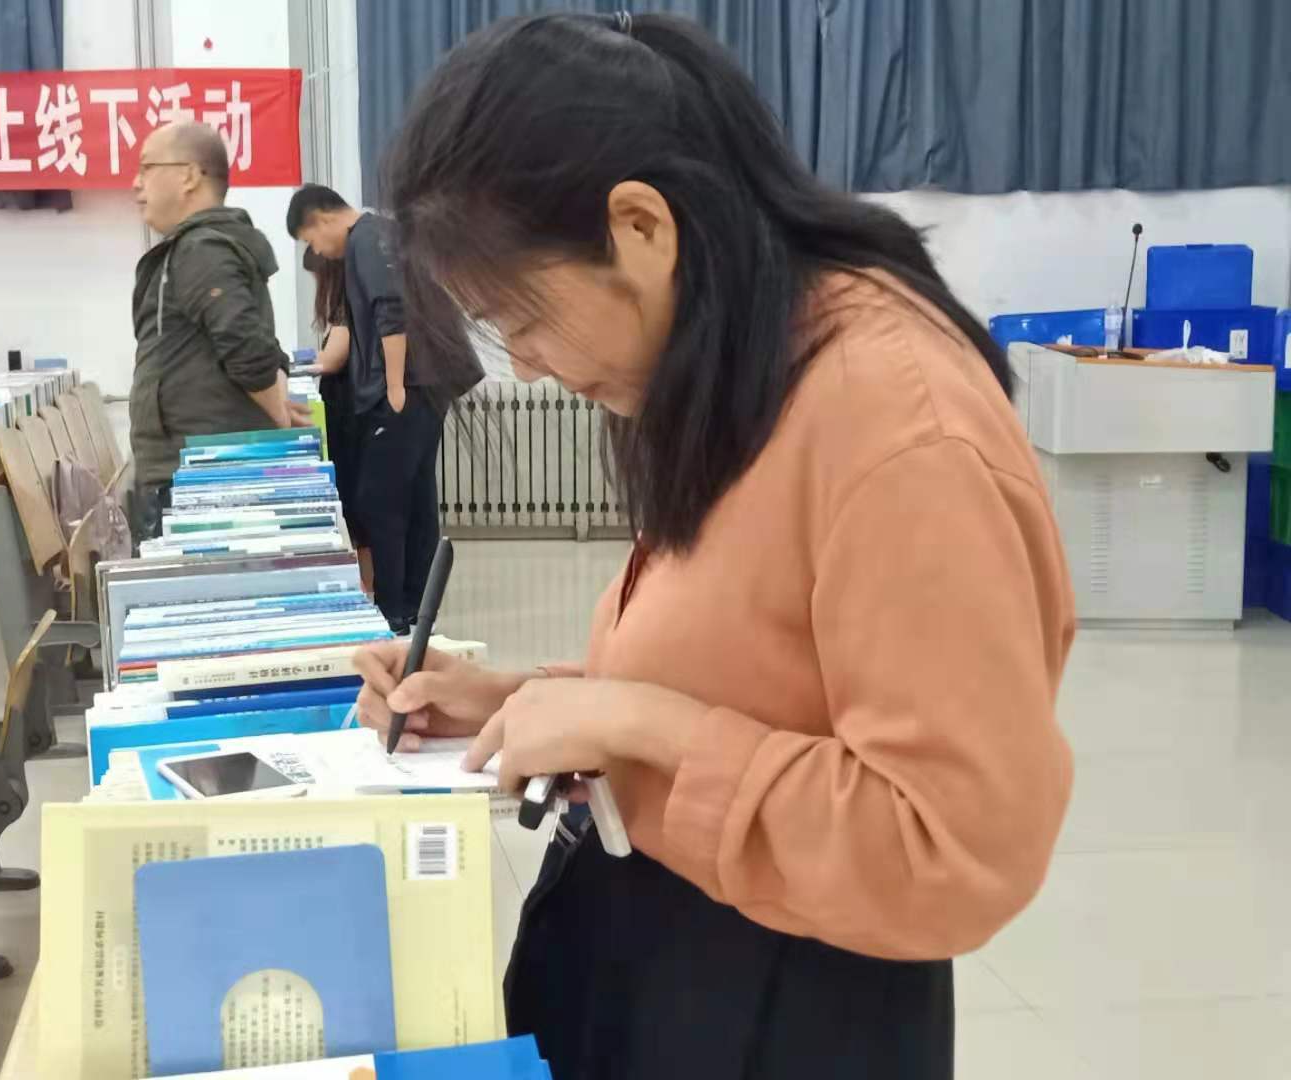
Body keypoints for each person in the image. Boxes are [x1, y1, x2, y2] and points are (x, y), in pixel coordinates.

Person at [351, 12, 1074, 1079]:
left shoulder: (893, 422)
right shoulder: (743, 360)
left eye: (524, 318)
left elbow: (950, 849)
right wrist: (521, 700)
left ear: (640, 225)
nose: (530, 366)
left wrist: (640, 723)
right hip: (659, 945)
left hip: (786, 1004)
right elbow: (750, 674)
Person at [128, 121, 298, 543]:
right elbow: (254, 341)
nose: (136, 183)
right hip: (199, 468)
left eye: (147, 168)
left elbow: (244, 343)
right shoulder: (204, 246)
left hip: (198, 478)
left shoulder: (201, 248)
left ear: (188, 175)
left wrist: (279, 415)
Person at [288, 183, 439, 631]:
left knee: (380, 501)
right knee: (412, 499)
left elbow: (391, 312)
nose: (319, 251)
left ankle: (394, 610)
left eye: (312, 240)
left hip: (406, 386)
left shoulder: (366, 239)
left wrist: (393, 385)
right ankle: (412, 607)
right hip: (423, 384)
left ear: (322, 219)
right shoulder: (377, 234)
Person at [302, 246, 370, 589]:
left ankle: (367, 586)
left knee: (356, 508)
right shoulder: (349, 307)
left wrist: (291, 366)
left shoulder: (346, 308)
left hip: (348, 416)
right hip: (347, 412)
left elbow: (331, 361)